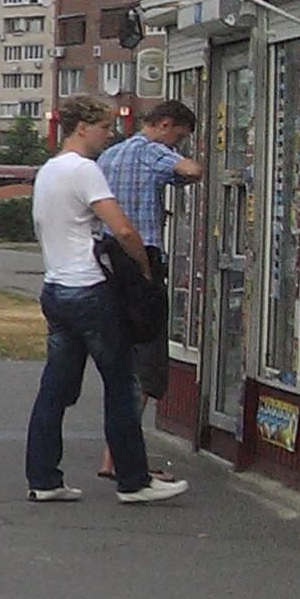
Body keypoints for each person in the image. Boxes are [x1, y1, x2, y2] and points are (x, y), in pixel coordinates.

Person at [27, 99, 187, 504]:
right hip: (90, 289)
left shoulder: (48, 171)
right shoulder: (84, 170)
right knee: (120, 384)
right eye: (104, 127)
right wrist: (144, 269)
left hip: (56, 286)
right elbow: (124, 228)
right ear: (82, 127)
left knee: (55, 388)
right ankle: (133, 480)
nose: (109, 135)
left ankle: (43, 477)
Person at [95, 99, 201, 479]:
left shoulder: (110, 155)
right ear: (165, 125)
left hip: (107, 261)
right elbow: (190, 170)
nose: (177, 146)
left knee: (122, 362)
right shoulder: (152, 151)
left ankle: (111, 457)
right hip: (142, 260)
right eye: (178, 137)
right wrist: (187, 168)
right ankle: (124, 460)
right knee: (148, 365)